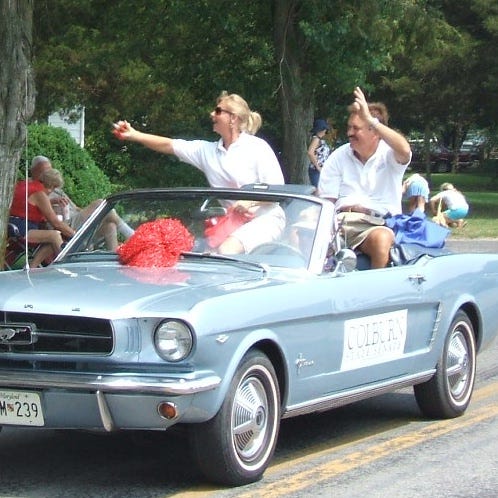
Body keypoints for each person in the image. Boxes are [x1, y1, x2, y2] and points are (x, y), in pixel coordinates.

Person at [113, 91, 285, 254]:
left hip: (266, 220)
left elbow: (278, 190)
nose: (212, 114)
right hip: (231, 224)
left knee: (226, 250)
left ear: (233, 118)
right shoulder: (207, 151)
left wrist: (250, 201)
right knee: (204, 258)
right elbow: (170, 145)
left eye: (218, 111)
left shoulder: (257, 147)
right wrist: (134, 135)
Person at [318, 87, 412, 269]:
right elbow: (327, 202)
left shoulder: (389, 155)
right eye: (349, 127)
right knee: (298, 233)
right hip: (339, 223)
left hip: (375, 225)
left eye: (356, 128)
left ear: (375, 132)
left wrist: (371, 119)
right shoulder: (338, 156)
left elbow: (405, 150)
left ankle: (377, 294)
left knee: (381, 240)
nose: (349, 133)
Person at [30, 156, 134, 250]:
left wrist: (91, 214)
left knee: (110, 225)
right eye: (45, 171)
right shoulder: (35, 189)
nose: (49, 174)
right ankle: (133, 236)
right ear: (34, 171)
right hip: (67, 226)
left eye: (50, 170)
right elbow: (49, 218)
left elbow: (75, 208)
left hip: (77, 221)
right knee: (100, 203)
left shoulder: (56, 189)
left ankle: (114, 261)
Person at [9, 168, 76, 267]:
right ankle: (66, 267)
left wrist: (52, 201)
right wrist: (74, 234)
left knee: (53, 236)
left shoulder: (26, 184)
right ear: (51, 186)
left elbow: (29, 204)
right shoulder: (39, 194)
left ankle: (32, 267)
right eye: (54, 188)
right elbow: (56, 223)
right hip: (22, 229)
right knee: (55, 235)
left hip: (11, 223)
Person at [307, 119, 331, 188]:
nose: (325, 131)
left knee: (321, 189)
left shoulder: (318, 139)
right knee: (318, 190)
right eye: (325, 129)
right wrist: (317, 166)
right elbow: (310, 152)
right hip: (316, 170)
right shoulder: (316, 139)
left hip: (320, 170)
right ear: (322, 129)